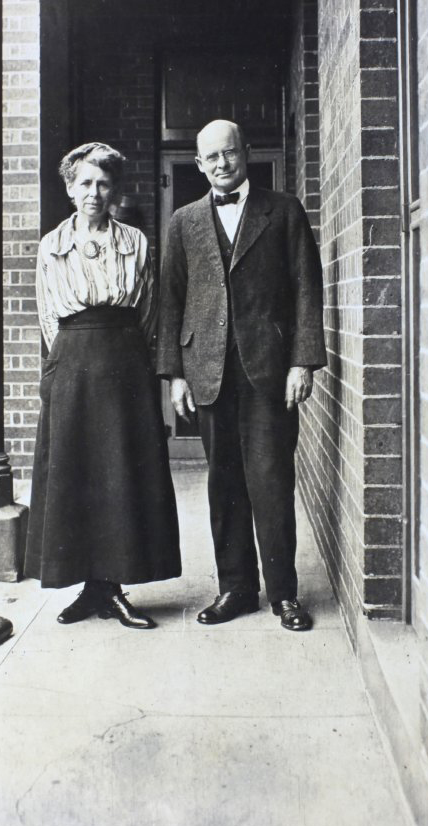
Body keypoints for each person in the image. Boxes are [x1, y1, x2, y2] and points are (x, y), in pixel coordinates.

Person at [157, 120, 326, 631]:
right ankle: (236, 588)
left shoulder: (284, 211)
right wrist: (175, 375)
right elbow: (171, 302)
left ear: (246, 153)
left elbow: (306, 288)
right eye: (211, 157)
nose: (221, 164)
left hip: (269, 372)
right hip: (208, 373)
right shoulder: (183, 222)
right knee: (224, 483)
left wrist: (302, 361)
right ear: (199, 163)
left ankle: (284, 594)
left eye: (229, 153)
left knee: (272, 481)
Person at [24, 142, 181, 628]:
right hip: (72, 365)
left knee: (121, 473)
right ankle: (90, 588)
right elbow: (48, 316)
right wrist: (65, 366)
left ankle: (113, 587)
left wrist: (128, 357)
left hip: (125, 365)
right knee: (77, 473)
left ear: (114, 190)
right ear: (70, 189)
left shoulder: (136, 242)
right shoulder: (51, 245)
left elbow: (149, 311)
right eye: (85, 183)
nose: (94, 192)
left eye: (103, 184)